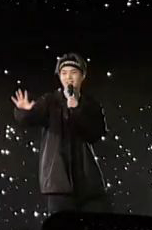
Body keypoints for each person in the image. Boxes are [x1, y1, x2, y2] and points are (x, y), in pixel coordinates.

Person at [12, 52, 109, 216]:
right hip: (58, 180)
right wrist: (24, 111)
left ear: (83, 76)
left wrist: (76, 110)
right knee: (62, 227)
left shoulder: (90, 104)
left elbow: (96, 133)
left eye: (73, 72)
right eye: (64, 73)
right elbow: (31, 118)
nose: (68, 77)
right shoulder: (50, 101)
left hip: (87, 181)